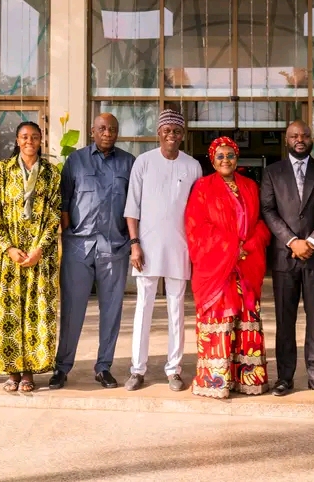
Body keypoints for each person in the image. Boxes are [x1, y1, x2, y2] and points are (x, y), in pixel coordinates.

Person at [49, 113, 135, 390]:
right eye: (102, 128)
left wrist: (131, 241)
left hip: (114, 247)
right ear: (92, 131)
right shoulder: (76, 160)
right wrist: (68, 234)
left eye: (112, 129)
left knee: (111, 310)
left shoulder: (128, 162)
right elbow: (64, 202)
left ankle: (103, 367)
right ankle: (62, 367)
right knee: (72, 309)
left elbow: (134, 205)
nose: (107, 133)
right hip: (79, 246)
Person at [185, 136, 271, 398]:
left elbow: (260, 223)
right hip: (217, 268)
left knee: (245, 320)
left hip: (246, 265)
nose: (225, 160)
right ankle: (216, 381)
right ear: (212, 160)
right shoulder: (202, 187)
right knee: (219, 320)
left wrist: (249, 246)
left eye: (230, 155)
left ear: (237, 158)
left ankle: (247, 379)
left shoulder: (250, 186)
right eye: (220, 156)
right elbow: (197, 226)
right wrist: (232, 247)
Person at [260, 120, 314, 398]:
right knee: (285, 320)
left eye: (305, 135)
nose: (300, 139)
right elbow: (268, 210)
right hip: (285, 257)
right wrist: (292, 241)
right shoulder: (272, 172)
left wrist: (312, 241)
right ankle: (285, 377)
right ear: (286, 140)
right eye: (294, 135)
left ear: (311, 139)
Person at [123, 109, 202, 392]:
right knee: (143, 308)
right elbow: (132, 207)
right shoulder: (144, 162)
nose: (171, 135)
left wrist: (196, 249)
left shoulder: (193, 166)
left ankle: (174, 370)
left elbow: (197, 211)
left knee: (176, 310)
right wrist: (134, 244)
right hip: (146, 247)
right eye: (167, 130)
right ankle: (137, 369)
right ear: (159, 133)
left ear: (183, 135)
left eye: (176, 131)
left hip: (180, 248)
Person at [0, 121, 62, 392]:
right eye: (25, 137)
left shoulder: (51, 173)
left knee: (35, 312)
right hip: (9, 256)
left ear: (41, 140)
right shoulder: (3, 170)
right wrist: (8, 247)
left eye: (35, 137)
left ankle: (29, 373)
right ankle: (12, 372)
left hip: (40, 256)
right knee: (9, 311)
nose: (30, 141)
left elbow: (54, 215)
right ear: (17, 140)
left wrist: (39, 249)